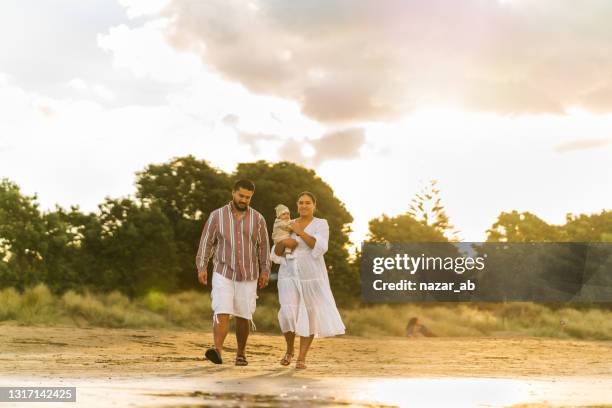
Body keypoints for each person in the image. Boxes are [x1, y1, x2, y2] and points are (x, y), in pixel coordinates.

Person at [195, 179, 270, 366]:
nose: (244, 200)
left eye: (248, 197)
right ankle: (217, 351)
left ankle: (241, 353)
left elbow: (264, 248)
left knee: (244, 315)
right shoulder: (217, 216)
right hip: (223, 270)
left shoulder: (258, 219)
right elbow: (206, 242)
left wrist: (265, 271)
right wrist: (202, 266)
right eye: (241, 195)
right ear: (233, 193)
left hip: (249, 273)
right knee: (221, 309)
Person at [271, 191, 345, 369]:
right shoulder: (287, 223)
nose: (304, 206)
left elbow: (320, 246)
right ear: (297, 205)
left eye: (307, 203)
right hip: (288, 274)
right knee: (288, 313)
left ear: (314, 205)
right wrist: (284, 242)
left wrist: (299, 232)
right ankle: (289, 350)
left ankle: (301, 357)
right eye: (300, 202)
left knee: (310, 314)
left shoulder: (321, 224)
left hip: (312, 276)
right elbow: (276, 252)